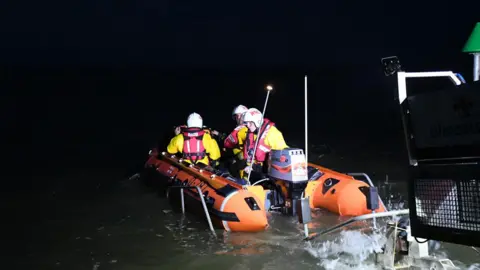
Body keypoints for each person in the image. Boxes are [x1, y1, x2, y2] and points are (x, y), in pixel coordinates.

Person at [240, 108, 288, 178]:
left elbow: (283, 157)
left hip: (267, 173)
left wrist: (260, 169)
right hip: (252, 170)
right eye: (246, 123)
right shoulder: (250, 133)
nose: (248, 125)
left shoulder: (272, 133)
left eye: (250, 123)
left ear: (257, 122)